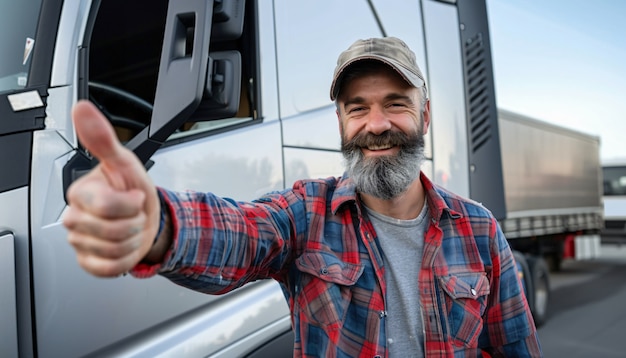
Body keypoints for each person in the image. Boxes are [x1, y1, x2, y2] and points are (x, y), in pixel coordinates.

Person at [64, 37, 543, 357]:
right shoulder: (308, 215)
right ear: (341, 123)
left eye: (396, 103)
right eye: (358, 109)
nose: (376, 125)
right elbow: (244, 232)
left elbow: (514, 347)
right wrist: (160, 226)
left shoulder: (479, 230)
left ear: (426, 114)